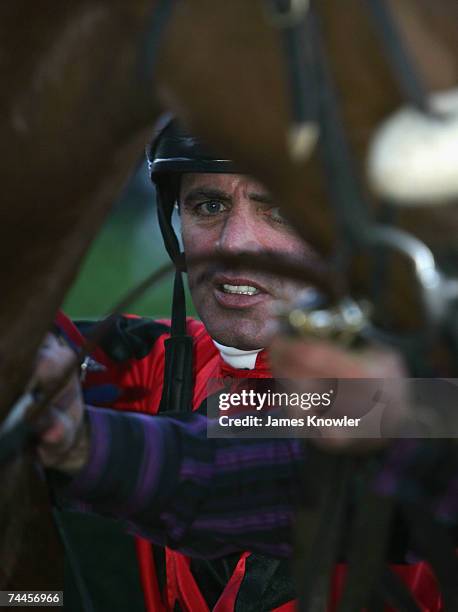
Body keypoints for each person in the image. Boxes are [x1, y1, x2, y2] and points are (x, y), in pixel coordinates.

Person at [46, 118, 448, 611]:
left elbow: (271, 453)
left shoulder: (427, 401)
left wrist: (87, 446)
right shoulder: (159, 362)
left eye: (278, 208)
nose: (234, 242)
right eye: (209, 206)